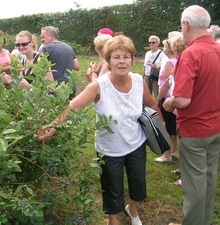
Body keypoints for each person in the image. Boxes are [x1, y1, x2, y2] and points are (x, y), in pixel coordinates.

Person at [38, 35, 164, 225]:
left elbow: (152, 104)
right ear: (108, 61)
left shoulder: (139, 81)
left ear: (132, 59)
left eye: (126, 56)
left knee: (138, 183)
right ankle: (112, 220)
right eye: (116, 57)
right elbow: (72, 107)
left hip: (136, 143)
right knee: (112, 188)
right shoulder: (98, 86)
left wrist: (161, 129)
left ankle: (133, 210)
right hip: (109, 149)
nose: (122, 61)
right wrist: (53, 126)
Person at [163, 5, 220, 225]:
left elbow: (183, 100)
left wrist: (169, 102)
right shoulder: (217, 49)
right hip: (216, 128)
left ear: (186, 25)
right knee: (208, 179)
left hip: (195, 131)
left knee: (194, 184)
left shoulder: (191, 54)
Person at [154, 34, 182, 163]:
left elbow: (166, 84)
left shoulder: (170, 62)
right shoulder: (179, 60)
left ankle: (167, 154)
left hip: (167, 98)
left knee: (167, 127)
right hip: (175, 98)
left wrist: (158, 99)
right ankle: (174, 150)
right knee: (174, 127)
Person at [40, 26, 80, 99]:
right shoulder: (68, 47)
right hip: (71, 87)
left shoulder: (46, 49)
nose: (41, 40)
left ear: (51, 36)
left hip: (56, 88)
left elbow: (44, 68)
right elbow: (77, 66)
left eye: (43, 37)